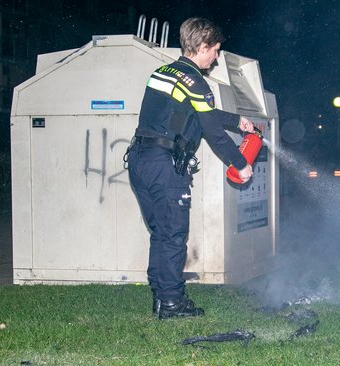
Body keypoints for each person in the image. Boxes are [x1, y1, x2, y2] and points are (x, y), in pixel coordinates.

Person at [127, 17, 254, 319]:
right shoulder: (196, 81)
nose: (217, 57)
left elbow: (195, 112)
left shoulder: (163, 73)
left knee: (160, 233)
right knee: (172, 234)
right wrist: (241, 164)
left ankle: (161, 297)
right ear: (202, 46)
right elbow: (211, 131)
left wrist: (236, 120)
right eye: (215, 50)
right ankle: (172, 303)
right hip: (164, 165)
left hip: (140, 160)